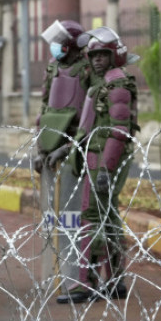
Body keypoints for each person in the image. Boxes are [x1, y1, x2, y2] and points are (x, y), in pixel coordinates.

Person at [58, 26, 139, 304]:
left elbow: (119, 130)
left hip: (104, 158)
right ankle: (115, 280)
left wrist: (105, 168)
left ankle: (87, 282)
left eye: (103, 55)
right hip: (99, 155)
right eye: (93, 56)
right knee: (108, 215)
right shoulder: (107, 82)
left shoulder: (117, 84)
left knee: (92, 216)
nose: (97, 60)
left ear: (114, 55)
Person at [34, 20, 92, 295]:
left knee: (72, 216)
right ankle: (53, 272)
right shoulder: (53, 68)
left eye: (60, 41)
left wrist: (69, 147)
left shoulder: (87, 70)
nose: (55, 46)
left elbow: (89, 115)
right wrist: (41, 148)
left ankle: (75, 275)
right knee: (52, 218)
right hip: (51, 149)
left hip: (75, 149)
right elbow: (45, 109)